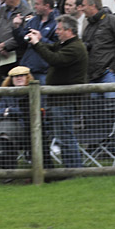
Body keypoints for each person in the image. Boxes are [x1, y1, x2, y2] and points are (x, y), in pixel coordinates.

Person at [28, 13, 88, 168]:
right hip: (59, 99)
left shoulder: (74, 48)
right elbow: (51, 48)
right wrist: (39, 40)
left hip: (65, 100)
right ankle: (72, 170)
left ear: (69, 31)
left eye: (60, 29)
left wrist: (36, 44)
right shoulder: (66, 45)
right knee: (63, 136)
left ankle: (74, 170)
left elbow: (55, 59)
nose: (56, 32)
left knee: (65, 137)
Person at [0, 64, 43, 172]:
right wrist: (13, 113)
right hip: (12, 131)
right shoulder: (7, 94)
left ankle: (6, 172)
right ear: (11, 79)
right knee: (7, 129)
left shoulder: (33, 92)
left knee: (6, 131)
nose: (18, 78)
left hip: (29, 130)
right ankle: (6, 169)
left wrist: (9, 111)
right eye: (15, 76)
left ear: (28, 77)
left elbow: (28, 111)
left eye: (22, 75)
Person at [10, 0, 56, 85]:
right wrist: (17, 27)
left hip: (44, 70)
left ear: (46, 6)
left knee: (41, 98)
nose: (34, 7)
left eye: (37, 4)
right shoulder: (33, 21)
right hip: (28, 68)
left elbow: (57, 46)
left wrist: (40, 39)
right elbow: (22, 42)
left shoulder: (56, 23)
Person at [0, 0, 31, 81]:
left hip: (17, 58)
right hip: (0, 57)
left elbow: (24, 35)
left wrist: (4, 45)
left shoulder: (26, 12)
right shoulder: (1, 10)